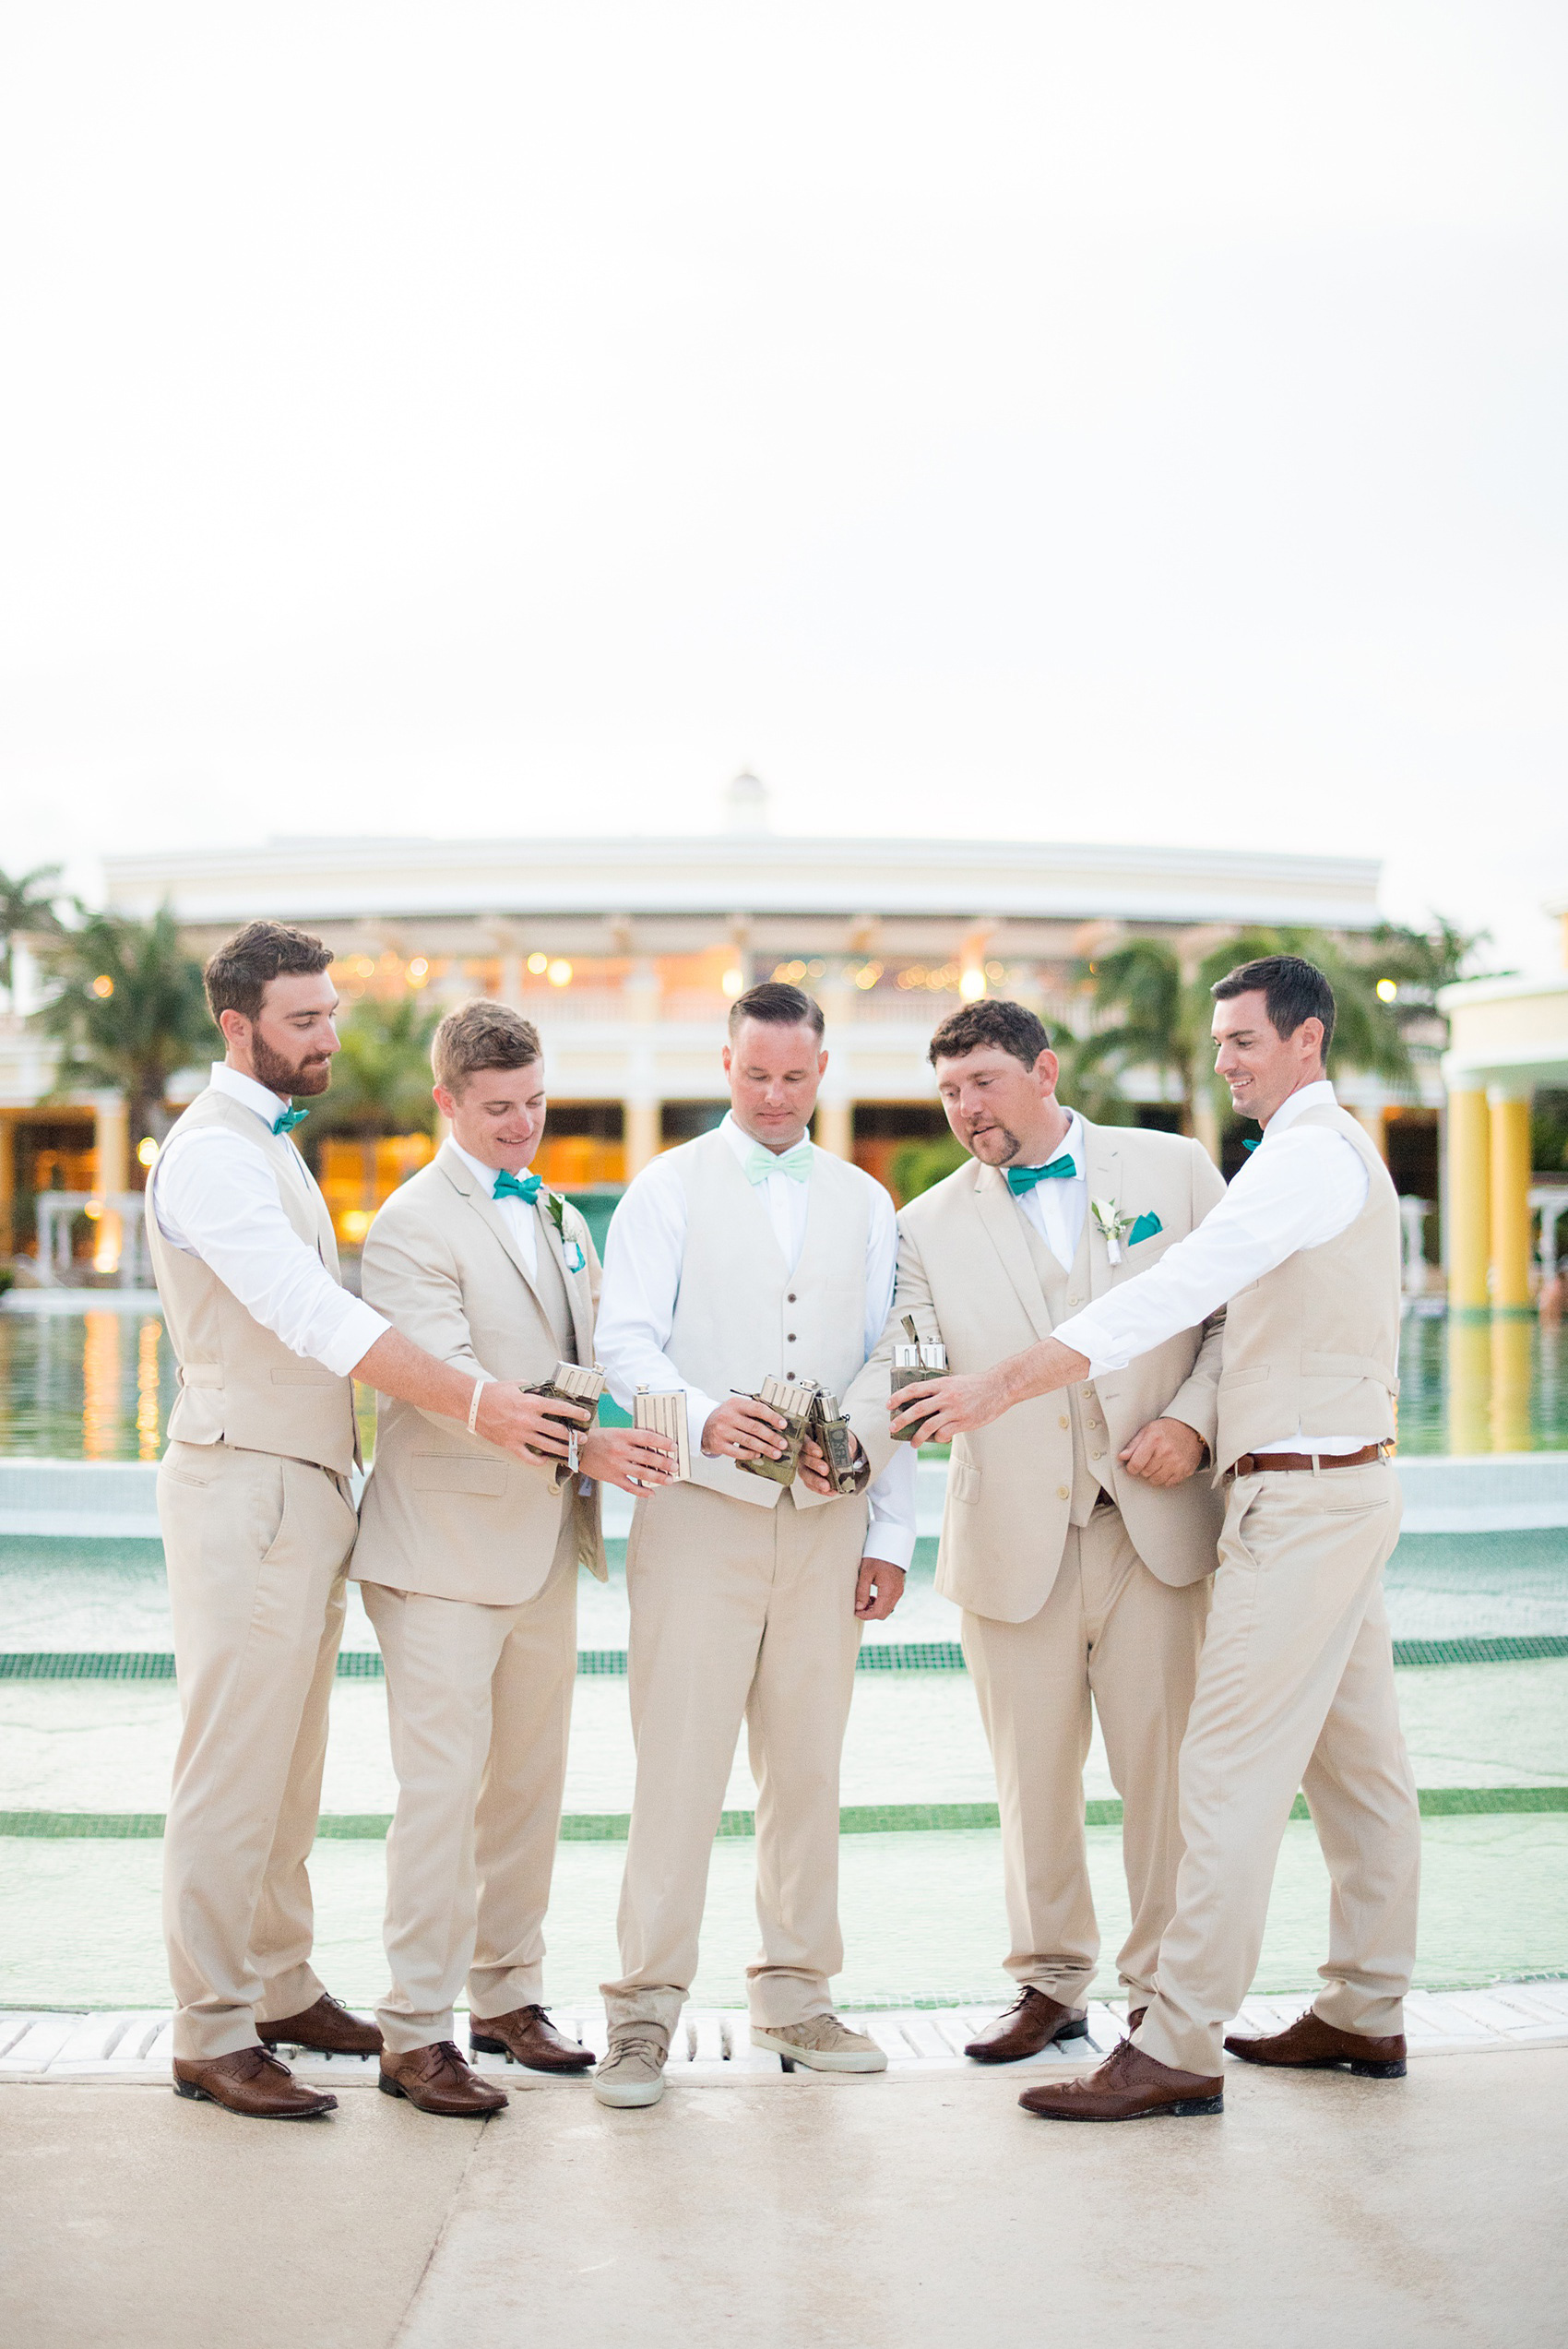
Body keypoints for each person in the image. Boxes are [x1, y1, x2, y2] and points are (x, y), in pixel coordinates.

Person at [897, 957, 1420, 2123]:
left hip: (1299, 1497)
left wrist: (1010, 1383)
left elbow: (1185, 1286)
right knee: (1358, 1764)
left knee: (1220, 1770)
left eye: (1243, 1041)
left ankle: (1175, 2037)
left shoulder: (1297, 1156)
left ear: (1306, 1039)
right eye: (1222, 1042)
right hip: (1335, 1483)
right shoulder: (1300, 1151)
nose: (1225, 1060)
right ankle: (1366, 2000)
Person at [147, 924, 590, 2121]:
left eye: (331, 1012)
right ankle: (208, 2027)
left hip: (305, 1484)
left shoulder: (267, 1146)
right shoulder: (210, 1156)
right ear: (238, 1024)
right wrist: (489, 1404)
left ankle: (281, 1984)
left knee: (288, 1767)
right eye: (305, 1019)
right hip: (243, 1479)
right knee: (231, 1767)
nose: (330, 1036)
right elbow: (311, 1318)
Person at [844, 999, 1225, 2060]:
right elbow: (909, 1370)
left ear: (1044, 1070)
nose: (966, 1108)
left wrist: (1192, 1423)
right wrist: (827, 1449)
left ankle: (1160, 1990)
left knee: (1161, 1773)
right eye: (949, 1091)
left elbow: (1240, 1317)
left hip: (1152, 1523)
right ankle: (1049, 1981)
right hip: (1012, 1534)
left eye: (984, 1082)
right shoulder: (920, 1225)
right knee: (1031, 1778)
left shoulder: (1174, 1169)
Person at [590, 981, 916, 2106]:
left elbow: (889, 1368)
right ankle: (638, 2014)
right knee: (676, 1771)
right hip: (692, 1520)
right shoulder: (664, 1187)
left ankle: (794, 1995)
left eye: (793, 1076)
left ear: (822, 1072)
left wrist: (891, 1528)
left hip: (824, 1534)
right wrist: (698, 1413)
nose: (774, 1096)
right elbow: (622, 1337)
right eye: (754, 1073)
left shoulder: (869, 1200)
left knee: (807, 1772)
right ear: (724, 1064)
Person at [350, 1002, 678, 2117]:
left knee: (527, 1790)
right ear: (446, 1100)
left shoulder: (555, 1215)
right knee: (439, 1795)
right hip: (438, 1551)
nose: (523, 1127)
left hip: (543, 1541)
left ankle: (504, 1995)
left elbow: (588, 1359)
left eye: (535, 1103)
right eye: (498, 1109)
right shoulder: (406, 1225)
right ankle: (411, 2029)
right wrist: (590, 1441)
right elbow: (449, 1389)